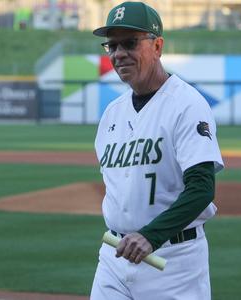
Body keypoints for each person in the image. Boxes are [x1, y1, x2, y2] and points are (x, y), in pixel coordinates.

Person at [91, 2, 224, 299]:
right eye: (111, 45)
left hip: (173, 262)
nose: (119, 53)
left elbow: (202, 188)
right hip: (114, 256)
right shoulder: (112, 114)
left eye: (129, 43)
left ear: (158, 46)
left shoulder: (186, 104)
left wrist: (150, 235)